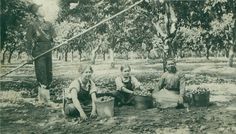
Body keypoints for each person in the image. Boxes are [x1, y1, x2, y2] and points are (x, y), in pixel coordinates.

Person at [26, 4, 55, 104]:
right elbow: (28, 40)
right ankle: (44, 100)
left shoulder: (49, 24)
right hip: (39, 52)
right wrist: (29, 54)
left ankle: (44, 98)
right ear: (36, 13)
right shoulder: (32, 25)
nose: (43, 10)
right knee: (41, 74)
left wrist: (60, 41)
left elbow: (53, 37)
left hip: (48, 51)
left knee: (49, 74)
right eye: (41, 9)